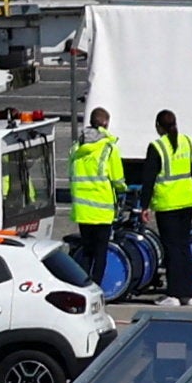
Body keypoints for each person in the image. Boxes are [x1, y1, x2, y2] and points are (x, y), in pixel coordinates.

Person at [145, 107, 192, 297]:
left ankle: (174, 294)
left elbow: (149, 179)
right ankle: (188, 293)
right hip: (187, 199)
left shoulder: (157, 147)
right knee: (184, 247)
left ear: (158, 127)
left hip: (168, 203)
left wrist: (144, 206)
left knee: (172, 249)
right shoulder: (186, 141)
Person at [66, 108, 126, 291]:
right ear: (106, 123)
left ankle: (81, 288)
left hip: (83, 210)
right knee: (101, 253)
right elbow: (118, 179)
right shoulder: (108, 148)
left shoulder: (77, 147)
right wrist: (123, 189)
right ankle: (96, 289)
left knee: (87, 251)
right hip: (102, 210)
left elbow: (71, 175)